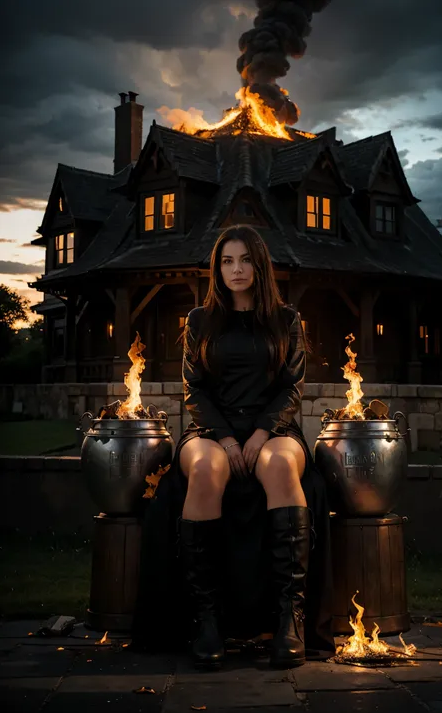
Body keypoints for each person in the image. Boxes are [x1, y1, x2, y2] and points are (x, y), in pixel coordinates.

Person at [131, 224, 335, 669]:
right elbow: (194, 390)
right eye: (227, 261)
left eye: (244, 260)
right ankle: (207, 619)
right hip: (210, 429)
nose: (236, 269)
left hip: (274, 428)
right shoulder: (198, 321)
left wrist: (261, 433)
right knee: (204, 471)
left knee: (281, 467)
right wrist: (225, 436)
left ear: (259, 266)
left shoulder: (287, 320)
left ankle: (289, 619)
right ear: (216, 268)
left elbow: (291, 388)